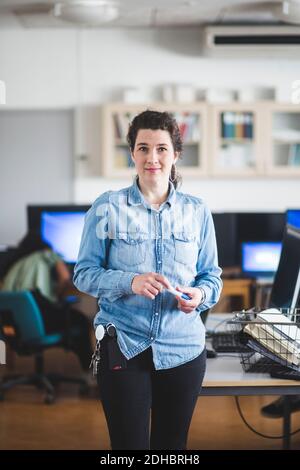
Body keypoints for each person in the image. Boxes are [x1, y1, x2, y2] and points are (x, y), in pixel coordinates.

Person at [73, 109, 222, 450]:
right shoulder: (106, 208)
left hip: (183, 349)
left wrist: (199, 296)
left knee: (172, 448)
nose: (151, 157)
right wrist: (130, 281)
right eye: (143, 148)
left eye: (161, 148)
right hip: (124, 345)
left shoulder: (197, 211)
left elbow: (211, 276)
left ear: (175, 154)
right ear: (132, 153)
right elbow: (83, 273)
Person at [0, 231, 94, 375]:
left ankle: (11, 368)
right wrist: (58, 293)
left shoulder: (14, 264)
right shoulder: (46, 254)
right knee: (81, 320)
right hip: (40, 316)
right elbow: (64, 277)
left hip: (13, 325)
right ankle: (91, 370)